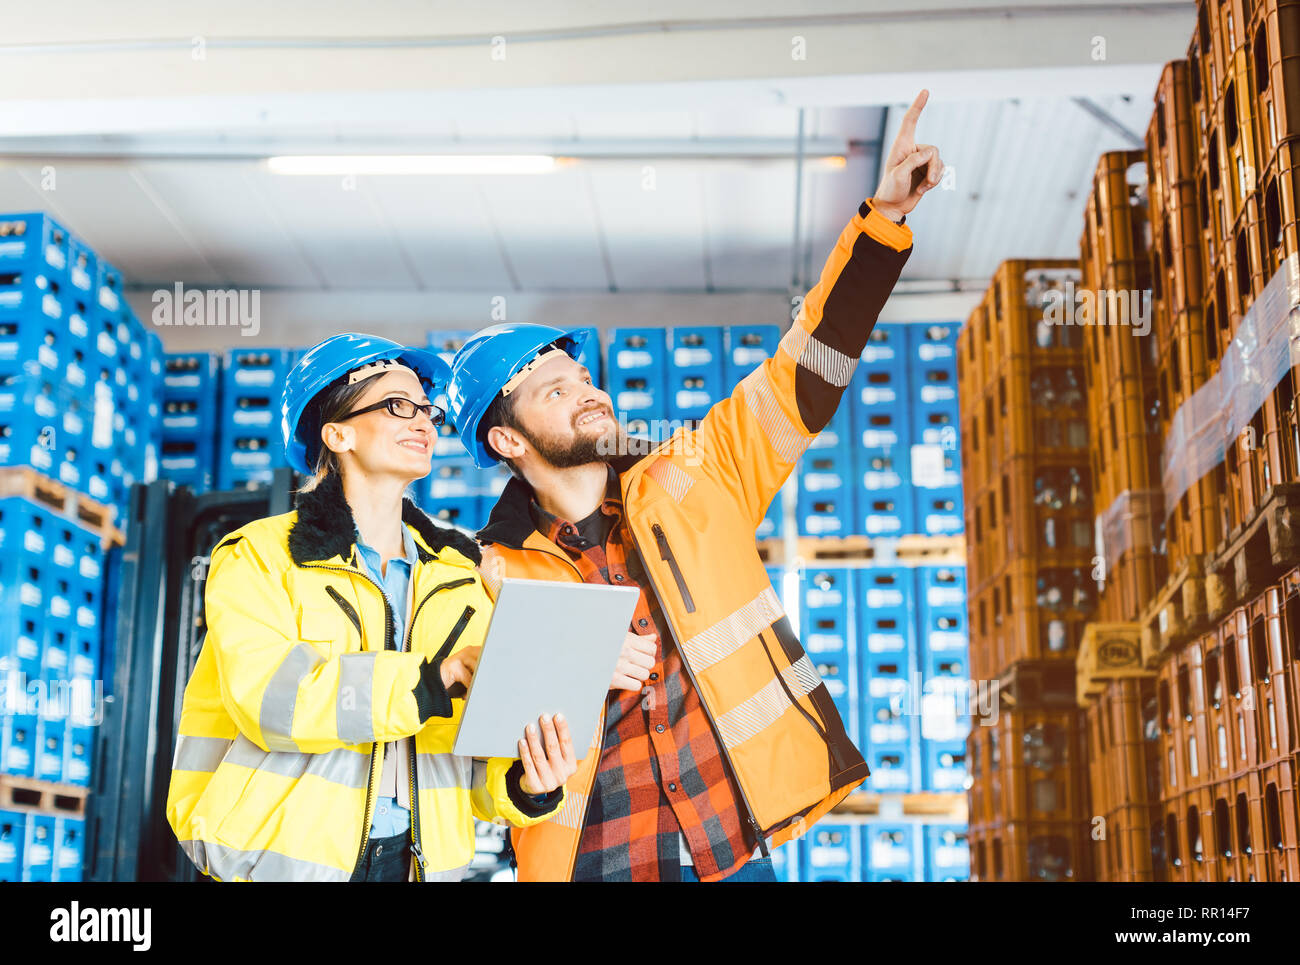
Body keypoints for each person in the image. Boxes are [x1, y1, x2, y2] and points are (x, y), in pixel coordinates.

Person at [445, 91, 943, 881]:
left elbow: (804, 376)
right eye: (554, 390)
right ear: (508, 441)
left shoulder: (697, 474)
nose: (587, 391)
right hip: (592, 866)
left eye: (582, 374)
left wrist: (882, 223)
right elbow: (479, 774)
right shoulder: (485, 572)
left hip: (729, 855)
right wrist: (559, 691)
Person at [166, 333, 579, 882]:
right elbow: (273, 702)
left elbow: (464, 764)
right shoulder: (260, 557)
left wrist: (526, 782)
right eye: (396, 406)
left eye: (427, 411)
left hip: (422, 863)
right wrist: (436, 677)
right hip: (287, 864)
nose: (424, 423)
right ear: (336, 434)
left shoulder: (458, 575)